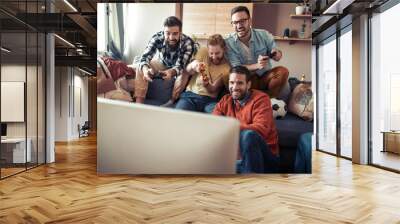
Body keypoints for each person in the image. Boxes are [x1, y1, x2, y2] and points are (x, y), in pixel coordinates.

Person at [213, 66, 280, 173]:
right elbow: (214, 125)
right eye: (232, 82)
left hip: (265, 159)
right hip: (237, 159)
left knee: (248, 135)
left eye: (240, 83)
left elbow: (261, 129)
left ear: (248, 84)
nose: (234, 87)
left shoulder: (261, 99)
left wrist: (229, 126)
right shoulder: (225, 100)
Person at [225, 6, 290, 99]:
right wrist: (257, 65)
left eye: (242, 21)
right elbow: (237, 68)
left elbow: (278, 56)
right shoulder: (228, 42)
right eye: (235, 22)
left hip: (265, 77)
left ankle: (268, 99)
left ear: (250, 21)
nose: (239, 25)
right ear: (232, 24)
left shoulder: (264, 35)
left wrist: (276, 53)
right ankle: (263, 98)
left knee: (283, 71)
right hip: (246, 80)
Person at [135, 16, 197, 106]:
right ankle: (139, 104)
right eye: (167, 33)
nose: (171, 37)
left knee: (182, 76)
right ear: (163, 32)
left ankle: (171, 101)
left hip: (180, 67)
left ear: (180, 32)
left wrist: (171, 73)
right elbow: (144, 58)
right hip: (162, 63)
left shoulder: (188, 43)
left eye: (175, 34)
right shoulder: (157, 38)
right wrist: (145, 70)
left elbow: (180, 65)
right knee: (141, 66)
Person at [175, 34, 230, 113]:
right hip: (190, 96)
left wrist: (206, 84)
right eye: (211, 53)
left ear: (224, 49)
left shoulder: (227, 68)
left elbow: (213, 89)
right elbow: (188, 70)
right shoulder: (203, 51)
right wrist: (195, 65)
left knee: (217, 116)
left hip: (210, 101)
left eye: (217, 53)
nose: (214, 57)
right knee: (179, 114)